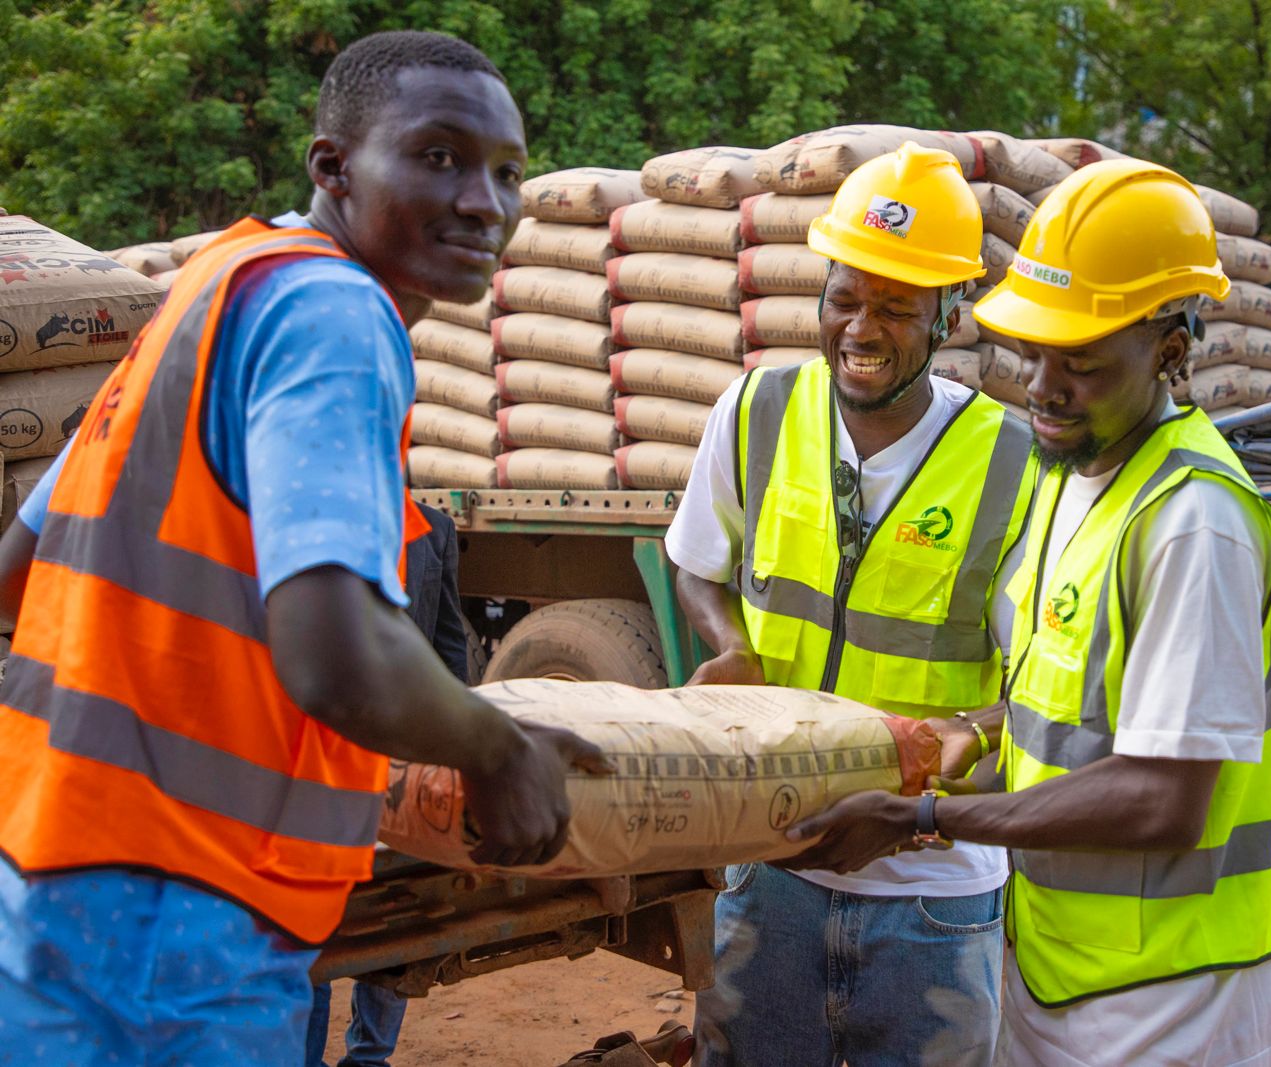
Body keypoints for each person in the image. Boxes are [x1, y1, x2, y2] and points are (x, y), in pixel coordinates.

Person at [0, 31, 605, 1065]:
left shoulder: (215, 288)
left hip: (61, 882)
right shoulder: (332, 311)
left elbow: (20, 561)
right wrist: (498, 750)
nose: (483, 201)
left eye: (506, 172)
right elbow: (330, 645)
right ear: (331, 166)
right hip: (181, 923)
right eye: (440, 156)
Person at [784, 158, 1271, 1067]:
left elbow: (1166, 800)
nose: (1044, 387)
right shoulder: (1073, 479)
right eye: (1034, 352)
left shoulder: (1194, 522)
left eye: (1083, 363)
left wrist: (930, 820)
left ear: (1170, 352)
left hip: (1176, 992)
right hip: (1064, 965)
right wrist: (978, 737)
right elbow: (1069, 712)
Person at [668, 143, 1037, 1066]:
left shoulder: (1013, 464)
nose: (861, 328)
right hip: (771, 869)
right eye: (845, 298)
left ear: (950, 316)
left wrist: (955, 748)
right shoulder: (755, 410)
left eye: (897, 309)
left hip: (933, 891)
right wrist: (729, 643)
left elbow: (1041, 686)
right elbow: (696, 564)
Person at [305, 502, 470, 1067]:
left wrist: (456, 741)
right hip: (320, 756)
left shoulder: (435, 529)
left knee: (396, 910)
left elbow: (449, 642)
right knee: (321, 916)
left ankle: (370, 1057)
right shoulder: (307, 520)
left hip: (403, 758)